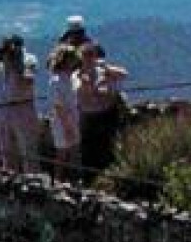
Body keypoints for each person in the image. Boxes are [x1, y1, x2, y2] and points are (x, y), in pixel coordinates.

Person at [0, 35, 40, 172]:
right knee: (6, 150)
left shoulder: (28, 60)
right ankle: (10, 178)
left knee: (28, 148)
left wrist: (15, 65)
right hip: (2, 108)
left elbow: (28, 80)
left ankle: (32, 179)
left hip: (22, 106)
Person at [76, 43, 128, 172]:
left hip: (106, 114)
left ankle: (109, 171)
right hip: (88, 116)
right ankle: (90, 175)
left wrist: (106, 68)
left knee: (108, 145)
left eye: (91, 55)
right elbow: (81, 91)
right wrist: (97, 90)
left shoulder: (103, 71)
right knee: (89, 147)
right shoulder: (77, 75)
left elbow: (124, 74)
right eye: (85, 56)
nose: (89, 59)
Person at [44, 44, 82, 181]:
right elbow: (58, 105)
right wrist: (67, 127)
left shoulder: (71, 78)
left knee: (73, 151)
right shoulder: (56, 80)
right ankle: (58, 180)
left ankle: (73, 180)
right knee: (62, 152)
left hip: (73, 117)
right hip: (62, 121)